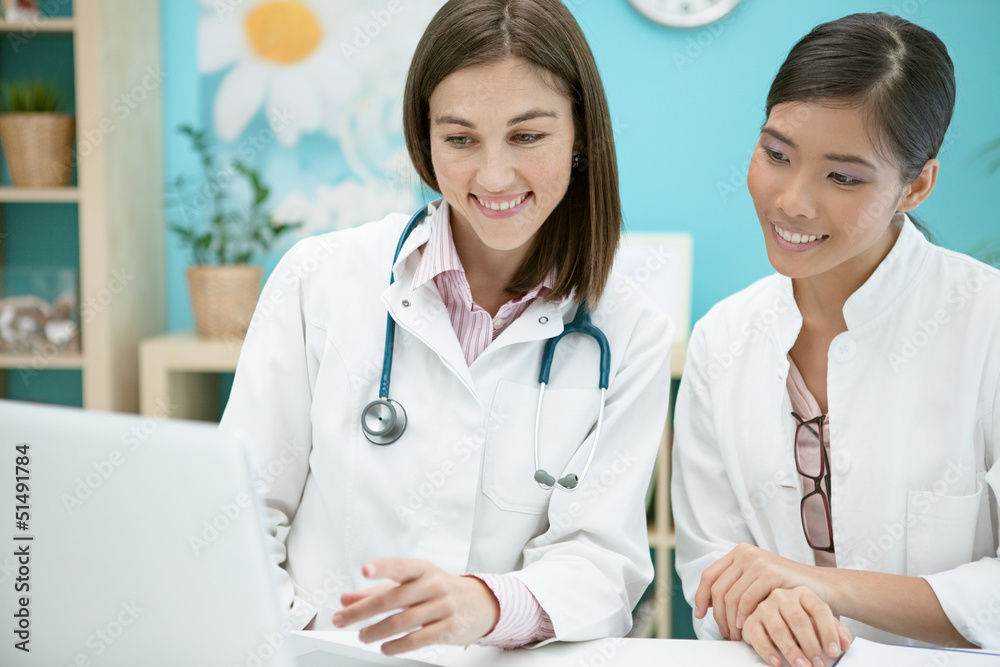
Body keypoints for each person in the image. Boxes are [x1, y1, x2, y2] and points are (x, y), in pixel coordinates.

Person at [220, 0, 673, 655]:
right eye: (460, 138)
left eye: (528, 136)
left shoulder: (630, 333)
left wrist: (483, 605)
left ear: (581, 136)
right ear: (423, 138)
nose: (493, 176)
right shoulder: (319, 278)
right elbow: (239, 511)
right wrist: (310, 639)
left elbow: (603, 564)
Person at [671, 12, 1000, 667]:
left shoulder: (986, 324)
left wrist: (825, 587)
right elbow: (711, 566)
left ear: (917, 185)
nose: (792, 201)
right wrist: (765, 606)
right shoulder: (723, 340)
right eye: (776, 154)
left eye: (843, 177)